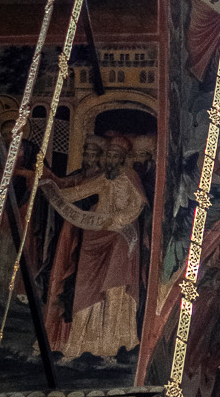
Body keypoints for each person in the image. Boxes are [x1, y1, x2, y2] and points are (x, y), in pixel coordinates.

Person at [40, 137, 148, 360]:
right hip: (95, 236)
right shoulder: (104, 178)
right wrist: (52, 191)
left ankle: (110, 346)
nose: (111, 159)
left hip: (121, 238)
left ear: (123, 159)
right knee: (88, 289)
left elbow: (137, 205)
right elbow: (79, 192)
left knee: (114, 288)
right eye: (109, 155)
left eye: (116, 156)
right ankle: (83, 344)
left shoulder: (130, 177)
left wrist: (118, 220)